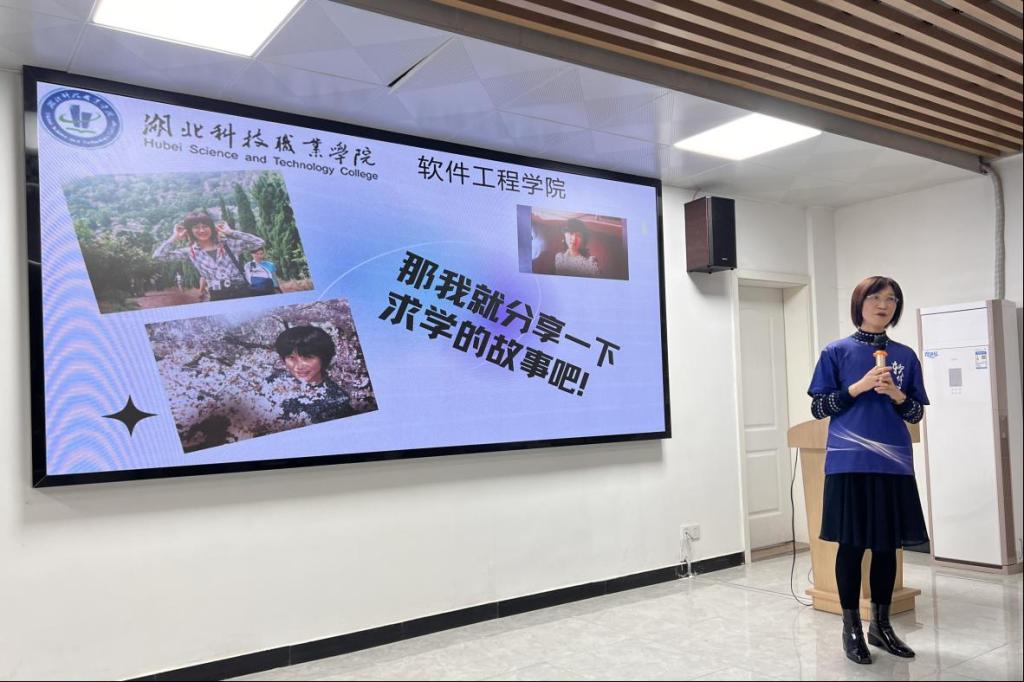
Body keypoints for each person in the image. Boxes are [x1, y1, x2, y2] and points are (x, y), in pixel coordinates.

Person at [808, 275, 929, 665]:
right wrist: (858, 387)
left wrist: (896, 394)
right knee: (851, 545)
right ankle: (851, 629)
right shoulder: (836, 351)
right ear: (859, 304)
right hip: (849, 461)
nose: (883, 305)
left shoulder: (905, 356)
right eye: (875, 297)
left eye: (891, 299)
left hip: (892, 462)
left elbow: (915, 413)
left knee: (886, 546)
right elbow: (819, 408)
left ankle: (882, 625)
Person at [152, 210, 264, 301]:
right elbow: (158, 257)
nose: (201, 230)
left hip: (241, 291)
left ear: (212, 228)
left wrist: (231, 232)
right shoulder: (190, 252)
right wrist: (175, 237)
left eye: (205, 226)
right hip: (218, 294)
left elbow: (259, 242)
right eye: (196, 227)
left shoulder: (229, 244)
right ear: (190, 231)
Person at [272, 325, 352, 424]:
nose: (299, 366)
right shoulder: (272, 382)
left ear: (323, 357)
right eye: (291, 358)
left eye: (307, 357)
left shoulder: (338, 400)